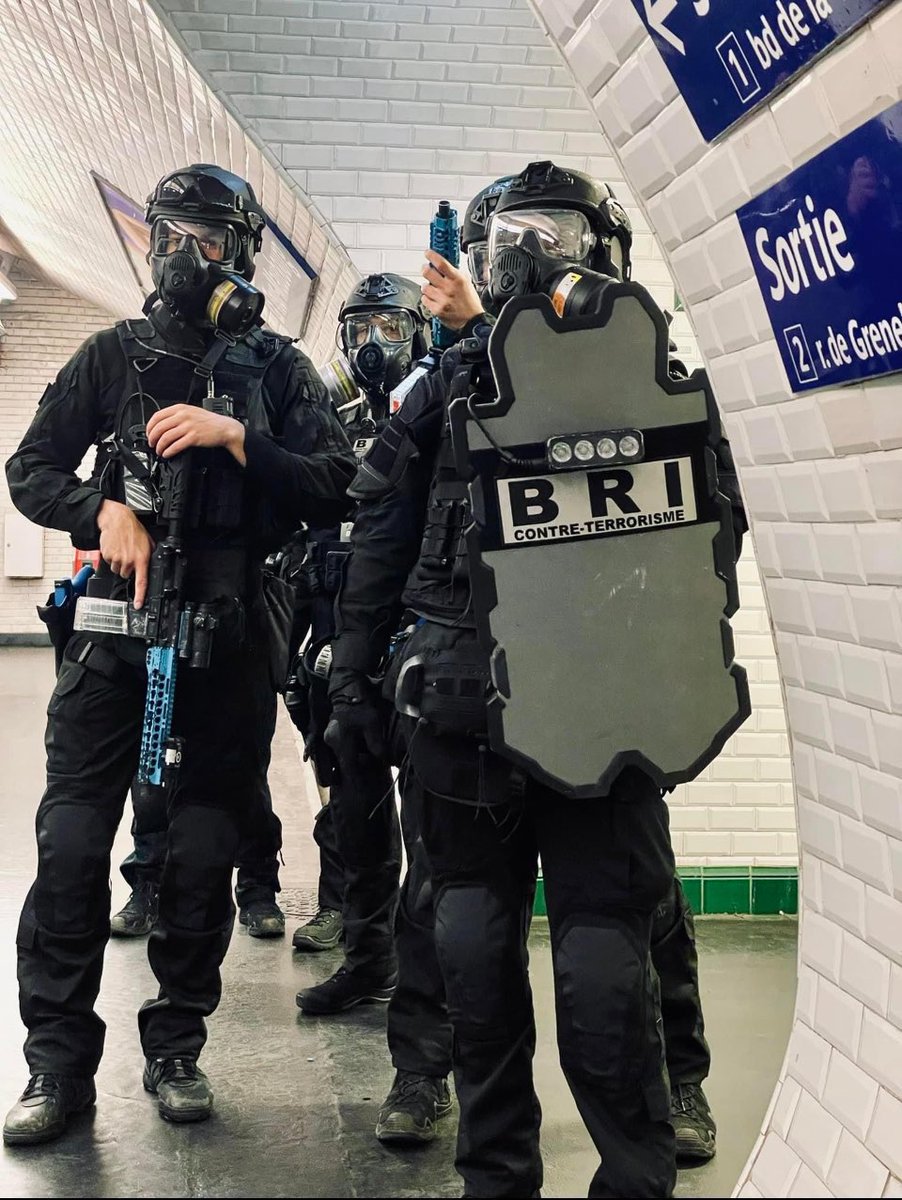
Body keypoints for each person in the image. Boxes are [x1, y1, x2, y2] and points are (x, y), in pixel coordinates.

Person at [327, 160, 745, 1196]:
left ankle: (601, 1175)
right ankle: (509, 1178)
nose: (530, 257)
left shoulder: (654, 382)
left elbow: (713, 546)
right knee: (480, 952)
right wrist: (354, 685)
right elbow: (379, 533)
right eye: (514, 239)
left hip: (590, 714)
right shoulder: (451, 384)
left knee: (599, 969)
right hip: (479, 711)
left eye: (551, 236)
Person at [2, 163, 355, 1146]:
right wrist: (99, 508)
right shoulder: (110, 356)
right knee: (71, 850)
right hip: (112, 651)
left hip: (227, 650)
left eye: (205, 237)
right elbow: (29, 470)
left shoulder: (280, 370)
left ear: (241, 250)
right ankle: (56, 1066)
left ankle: (175, 1046)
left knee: (201, 859)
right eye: (167, 234)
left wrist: (239, 437)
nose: (183, 255)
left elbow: (337, 481)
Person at [294, 274, 430, 1009]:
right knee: (353, 797)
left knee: (434, 816)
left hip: (415, 635)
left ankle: (422, 978)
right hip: (336, 631)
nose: (372, 342)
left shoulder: (436, 406)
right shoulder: (326, 416)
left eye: (388, 325)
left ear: (414, 328)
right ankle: (365, 952)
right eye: (360, 327)